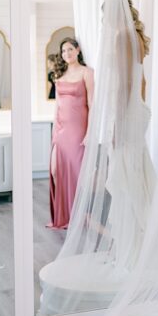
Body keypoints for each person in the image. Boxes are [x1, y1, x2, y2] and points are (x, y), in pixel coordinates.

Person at [48, 37, 93, 230]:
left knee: (76, 172)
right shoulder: (60, 75)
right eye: (63, 51)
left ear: (77, 50)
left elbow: (92, 104)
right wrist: (53, 132)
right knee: (55, 171)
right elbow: (57, 106)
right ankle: (64, 215)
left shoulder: (87, 73)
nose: (66, 54)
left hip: (78, 130)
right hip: (60, 130)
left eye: (69, 50)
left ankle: (79, 216)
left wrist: (90, 132)